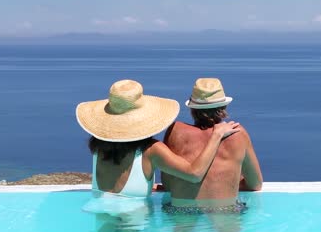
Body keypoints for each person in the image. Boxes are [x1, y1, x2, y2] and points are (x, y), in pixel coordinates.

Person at [75, 79, 240, 202]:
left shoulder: (99, 148)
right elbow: (194, 174)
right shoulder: (152, 150)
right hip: (134, 225)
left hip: (99, 214)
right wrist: (216, 136)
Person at [162, 78, 263, 214]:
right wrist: (226, 182)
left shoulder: (175, 131)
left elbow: (168, 185)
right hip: (226, 211)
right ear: (223, 108)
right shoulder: (238, 134)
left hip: (181, 210)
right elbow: (255, 185)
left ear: (192, 108)